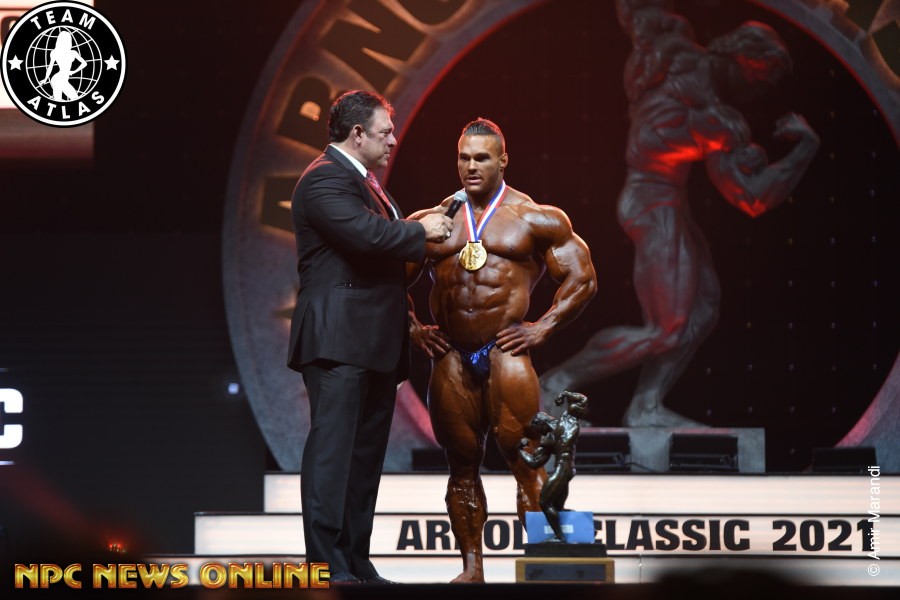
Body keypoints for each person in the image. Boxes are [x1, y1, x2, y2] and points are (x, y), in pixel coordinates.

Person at [539, 0, 820, 427]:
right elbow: (749, 195)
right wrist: (800, 149)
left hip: (668, 201)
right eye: (761, 76)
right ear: (743, 56)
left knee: (702, 310)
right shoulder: (699, 91)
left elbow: (750, 197)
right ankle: (554, 383)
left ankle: (647, 406)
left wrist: (793, 149)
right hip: (651, 202)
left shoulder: (690, 74)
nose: (761, 90)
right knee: (666, 328)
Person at [408, 118, 597, 582]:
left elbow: (583, 278)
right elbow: (383, 280)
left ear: (503, 160)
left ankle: (542, 569)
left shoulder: (535, 217)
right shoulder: (432, 221)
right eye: (463, 158)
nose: (471, 166)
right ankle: (472, 570)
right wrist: (413, 328)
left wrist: (543, 328)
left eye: (481, 158)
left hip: (505, 351)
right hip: (451, 355)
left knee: (526, 459)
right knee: (461, 466)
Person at [287, 90, 453, 585]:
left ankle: (355, 561)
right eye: (385, 132)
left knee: (363, 462)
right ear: (357, 134)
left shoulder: (367, 184)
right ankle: (325, 567)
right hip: (338, 342)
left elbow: (383, 255)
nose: (393, 140)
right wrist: (422, 230)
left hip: (374, 344)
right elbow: (368, 237)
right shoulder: (323, 178)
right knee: (333, 455)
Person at [518, 391, 590, 543]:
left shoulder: (561, 425)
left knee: (545, 503)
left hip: (562, 469)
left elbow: (583, 400)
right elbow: (535, 463)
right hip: (568, 469)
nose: (540, 433)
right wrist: (565, 395)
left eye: (538, 429)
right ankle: (586, 527)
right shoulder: (563, 425)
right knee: (558, 508)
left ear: (541, 423)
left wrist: (565, 394)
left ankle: (559, 537)